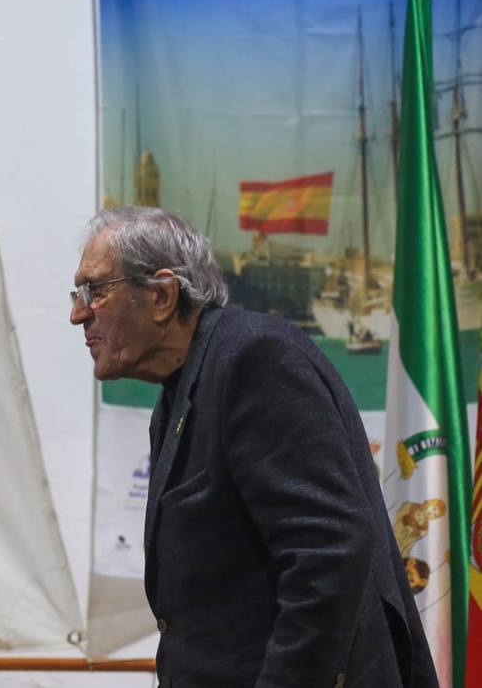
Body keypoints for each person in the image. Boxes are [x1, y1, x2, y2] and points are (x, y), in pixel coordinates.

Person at [70, 205, 435, 687]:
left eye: (94, 290)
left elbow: (329, 552)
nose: (78, 314)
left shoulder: (255, 359)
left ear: (161, 296)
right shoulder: (180, 391)